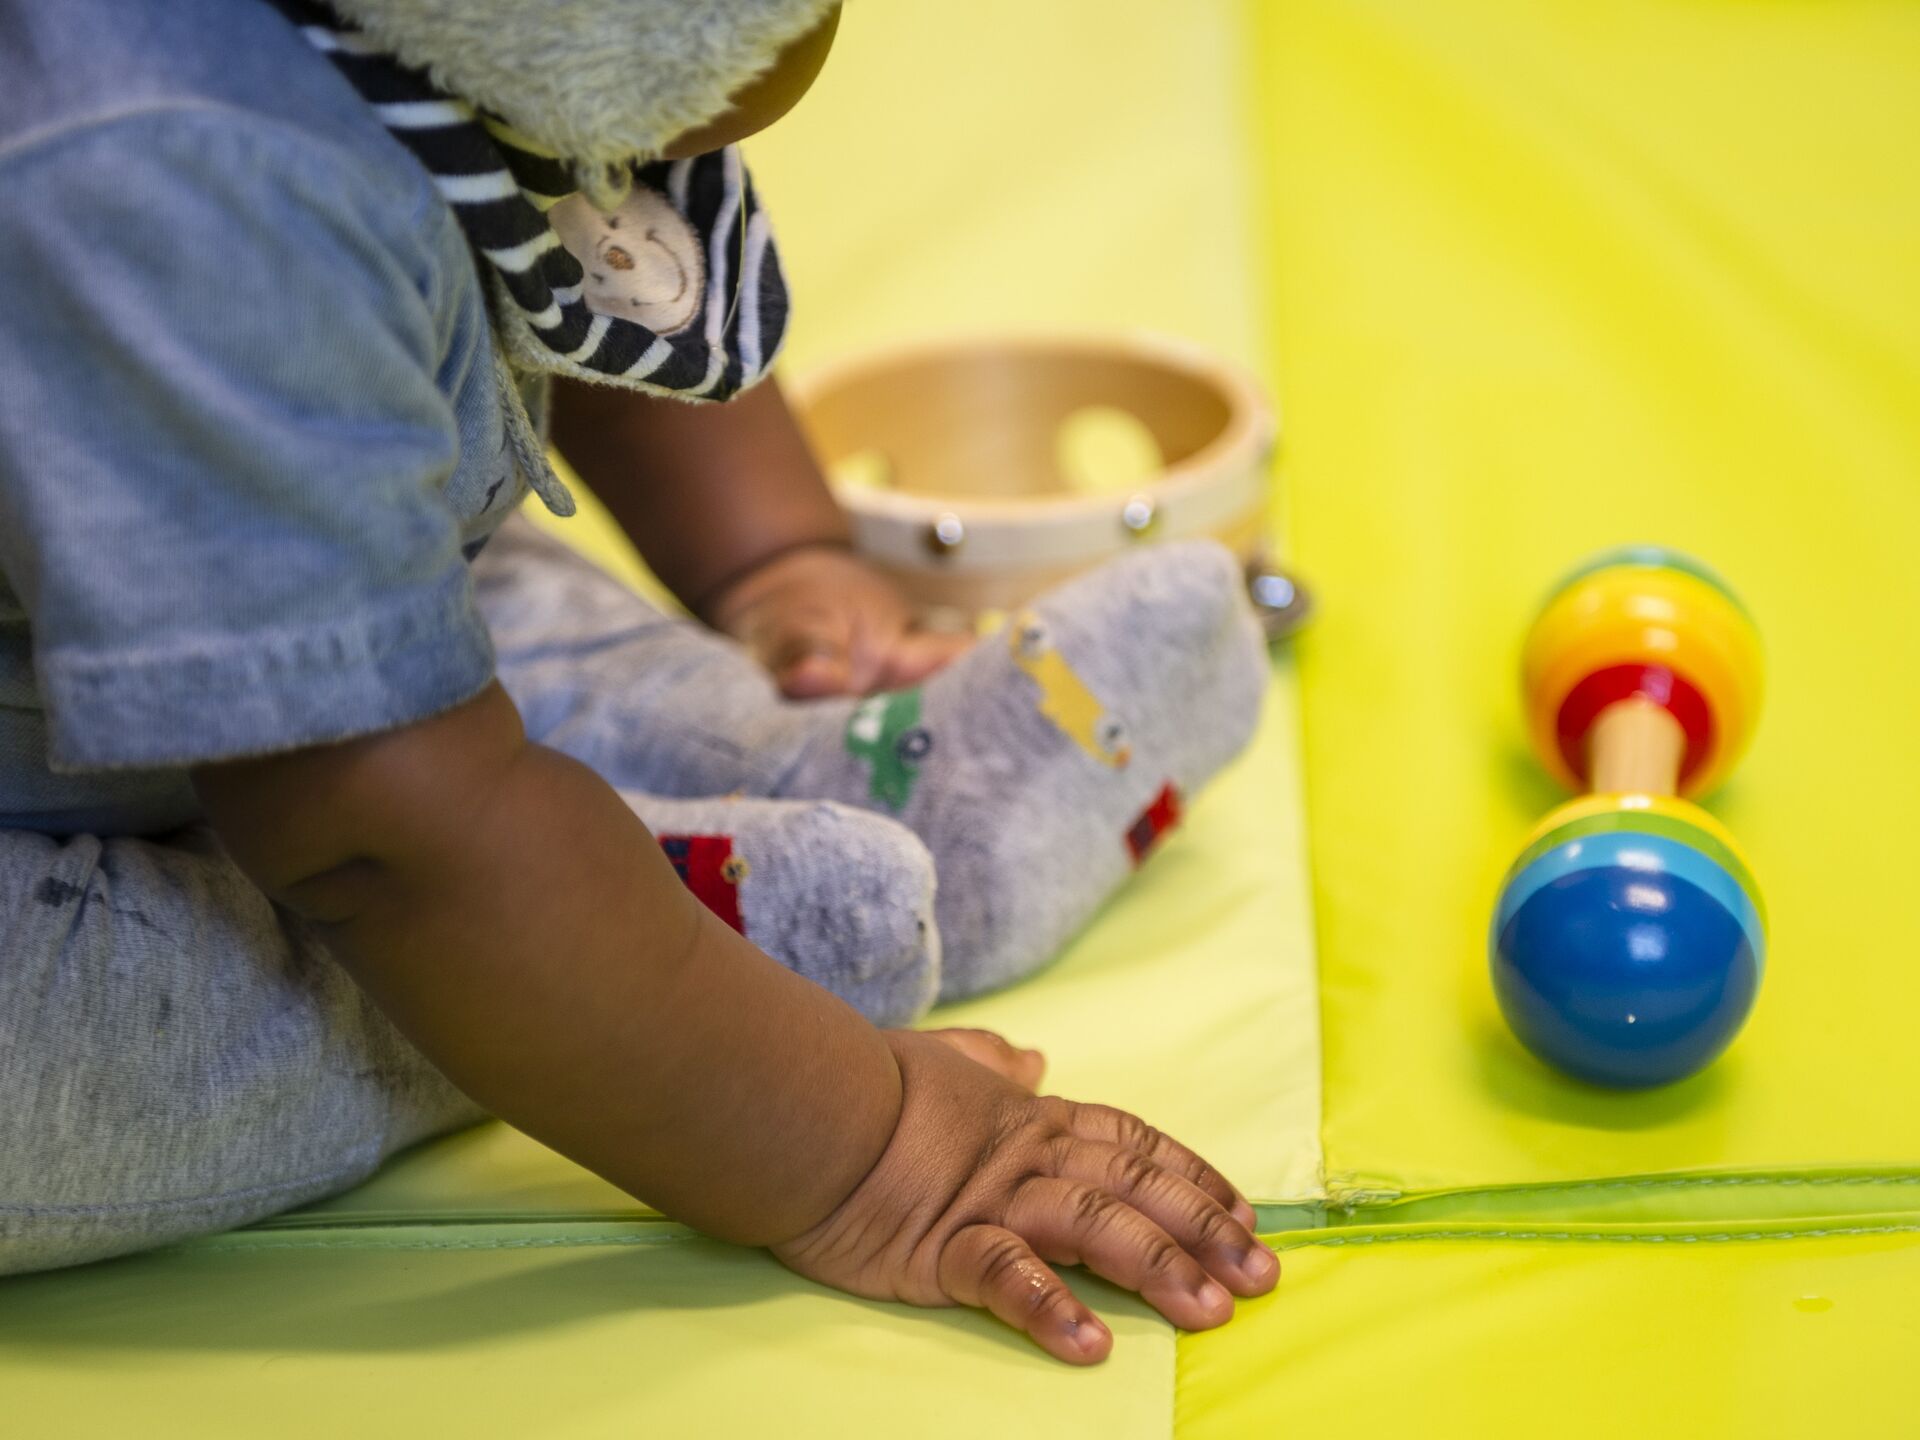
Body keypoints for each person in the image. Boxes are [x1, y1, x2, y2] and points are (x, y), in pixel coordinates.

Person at [0, 0, 1278, 1362]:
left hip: (253, 634)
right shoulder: (178, 172)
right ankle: (653, 961)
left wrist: (778, 570)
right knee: (178, 1008)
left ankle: (679, 860)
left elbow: (579, 251)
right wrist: (873, 1147)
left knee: (435, 599)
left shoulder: (474, 44)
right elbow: (377, 839)